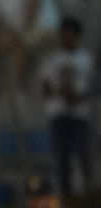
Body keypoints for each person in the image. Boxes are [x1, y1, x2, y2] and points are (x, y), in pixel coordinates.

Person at [40, 16, 95, 198]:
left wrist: (76, 94)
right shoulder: (51, 59)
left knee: (82, 154)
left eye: (71, 35)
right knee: (61, 156)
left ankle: (88, 193)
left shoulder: (86, 59)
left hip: (80, 113)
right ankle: (66, 195)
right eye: (64, 34)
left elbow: (90, 86)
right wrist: (62, 92)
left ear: (77, 36)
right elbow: (46, 86)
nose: (67, 38)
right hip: (58, 112)